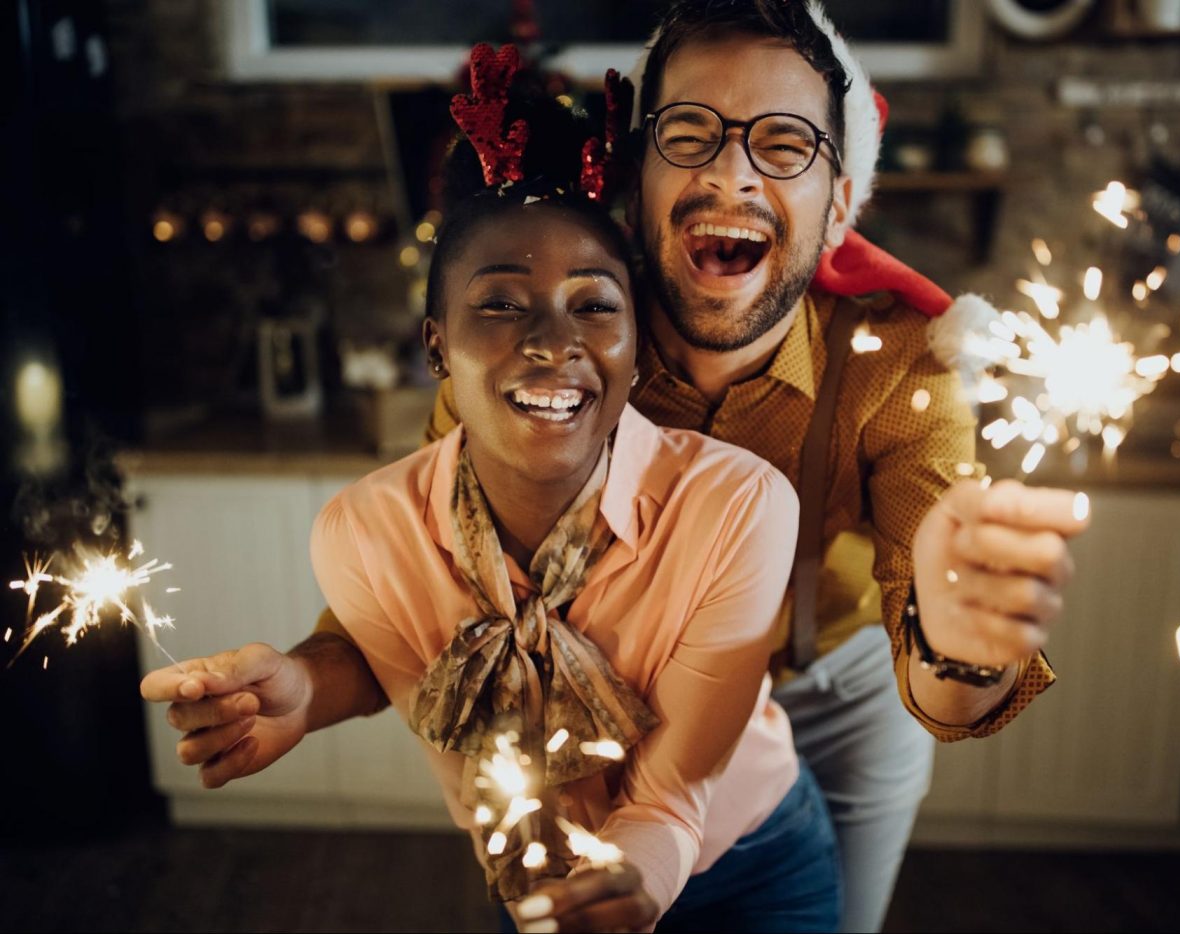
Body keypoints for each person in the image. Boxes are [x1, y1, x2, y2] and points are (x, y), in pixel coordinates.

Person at [142, 4, 1090, 932]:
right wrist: (305, 683)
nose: (731, 172)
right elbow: (424, 591)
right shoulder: (548, 357)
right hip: (632, 708)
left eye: (785, 145)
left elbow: (947, 675)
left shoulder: (903, 366)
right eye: (691, 133)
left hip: (844, 686)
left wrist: (958, 636)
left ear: (839, 203)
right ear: (635, 178)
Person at [150, 49, 842, 932]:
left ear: (636, 347)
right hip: (537, 879)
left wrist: (635, 878)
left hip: (753, 860)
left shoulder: (739, 508)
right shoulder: (364, 533)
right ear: (437, 346)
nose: (556, 341)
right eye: (503, 305)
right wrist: (301, 687)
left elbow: (672, 796)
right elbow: (393, 653)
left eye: (595, 306)